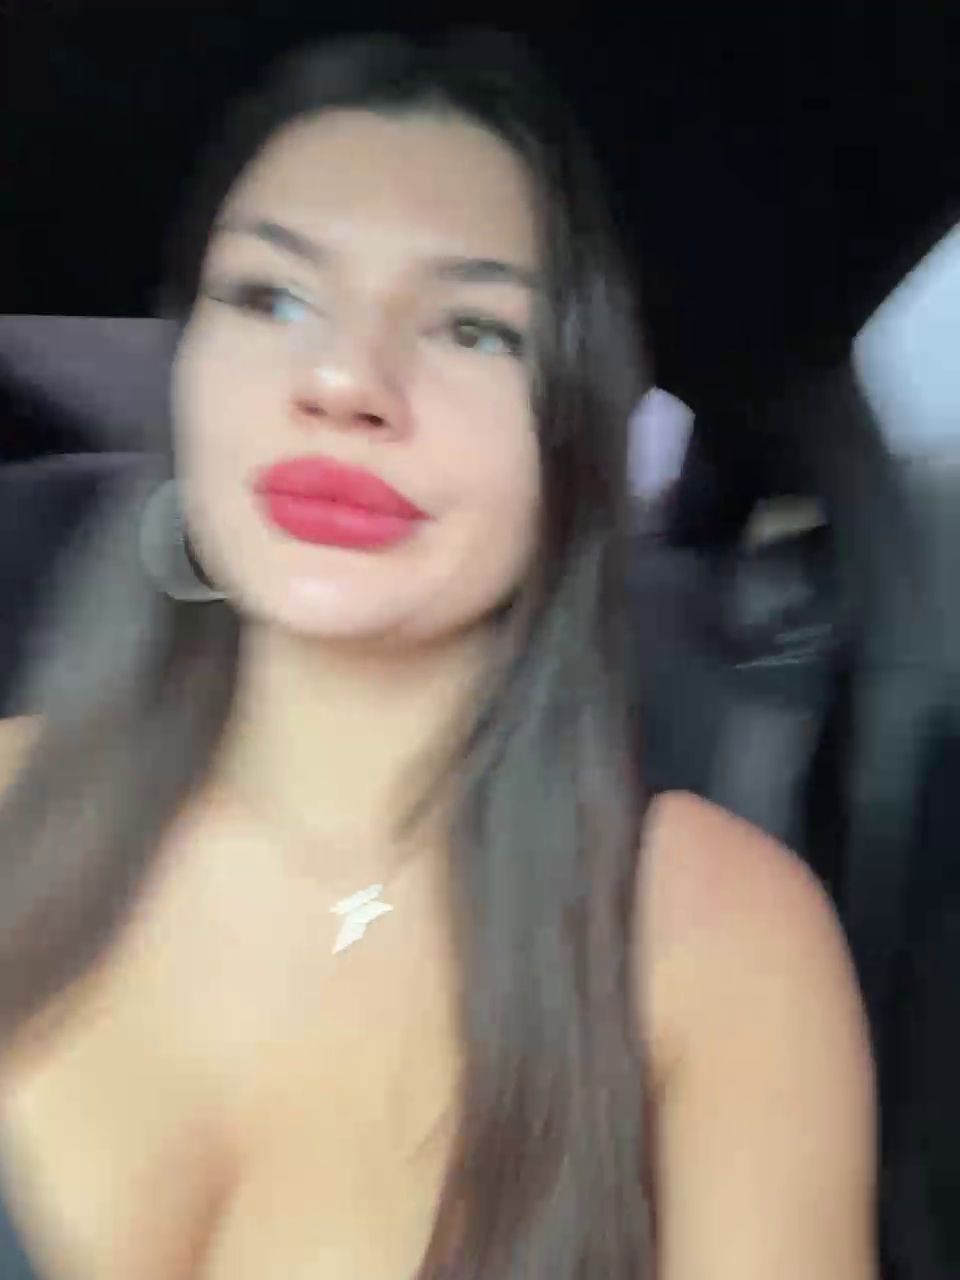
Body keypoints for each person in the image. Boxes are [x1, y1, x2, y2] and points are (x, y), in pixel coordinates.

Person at [0, 29, 876, 1280]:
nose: (345, 379)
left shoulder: (715, 938)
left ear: (569, 440)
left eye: (474, 328)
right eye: (271, 297)